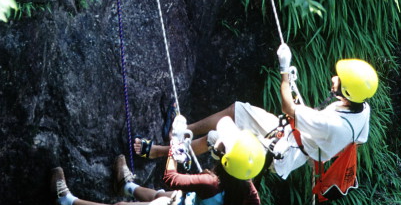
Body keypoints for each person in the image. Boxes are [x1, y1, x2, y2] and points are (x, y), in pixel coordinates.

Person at [135, 45, 378, 180]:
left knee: (215, 142)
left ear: (346, 91)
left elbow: (287, 108)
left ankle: (162, 152)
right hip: (292, 134)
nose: (334, 77)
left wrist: (284, 71)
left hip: (284, 150)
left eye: (339, 79)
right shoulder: (361, 108)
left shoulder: (332, 124)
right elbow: (360, 138)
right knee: (237, 110)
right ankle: (182, 131)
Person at [51, 121, 263, 205]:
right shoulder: (243, 179)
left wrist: (175, 145)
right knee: (158, 197)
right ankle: (125, 185)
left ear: (226, 161)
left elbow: (170, 178)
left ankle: (64, 199)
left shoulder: (211, 183)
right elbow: (253, 204)